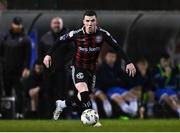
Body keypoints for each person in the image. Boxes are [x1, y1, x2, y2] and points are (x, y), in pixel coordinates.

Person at [43, 10, 136, 124]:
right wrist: (48, 54)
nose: (90, 23)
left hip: (92, 70)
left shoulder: (103, 34)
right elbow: (59, 40)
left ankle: (62, 104)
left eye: (92, 21)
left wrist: (128, 62)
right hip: (78, 67)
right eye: (87, 21)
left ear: (96, 22)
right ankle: (92, 120)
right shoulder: (76, 34)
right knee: (84, 90)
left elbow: (117, 47)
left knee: (82, 98)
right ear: (83, 22)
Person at [38, 17, 73, 118]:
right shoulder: (45, 38)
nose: (56, 25)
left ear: (62, 24)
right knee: (49, 93)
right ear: (51, 25)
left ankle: (64, 115)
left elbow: (71, 52)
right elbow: (40, 54)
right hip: (48, 71)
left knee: (63, 94)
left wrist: (61, 63)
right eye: (55, 23)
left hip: (62, 71)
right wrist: (44, 65)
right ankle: (50, 115)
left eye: (58, 23)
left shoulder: (67, 37)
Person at [0, 16, 31, 118]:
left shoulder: (26, 39)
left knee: (20, 93)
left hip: (19, 70)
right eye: (15, 24)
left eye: (19, 25)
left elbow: (28, 56)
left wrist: (27, 68)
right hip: (6, 70)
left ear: (21, 25)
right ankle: (7, 112)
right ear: (12, 24)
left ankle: (19, 113)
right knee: (7, 91)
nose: (17, 27)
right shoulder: (5, 37)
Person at [151, 53, 180, 117]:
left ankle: (178, 111)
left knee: (174, 98)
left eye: (167, 61)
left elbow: (175, 83)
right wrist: (165, 75)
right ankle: (178, 111)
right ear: (160, 61)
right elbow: (155, 83)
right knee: (167, 98)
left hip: (171, 91)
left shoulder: (173, 70)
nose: (166, 63)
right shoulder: (156, 69)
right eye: (164, 61)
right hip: (160, 91)